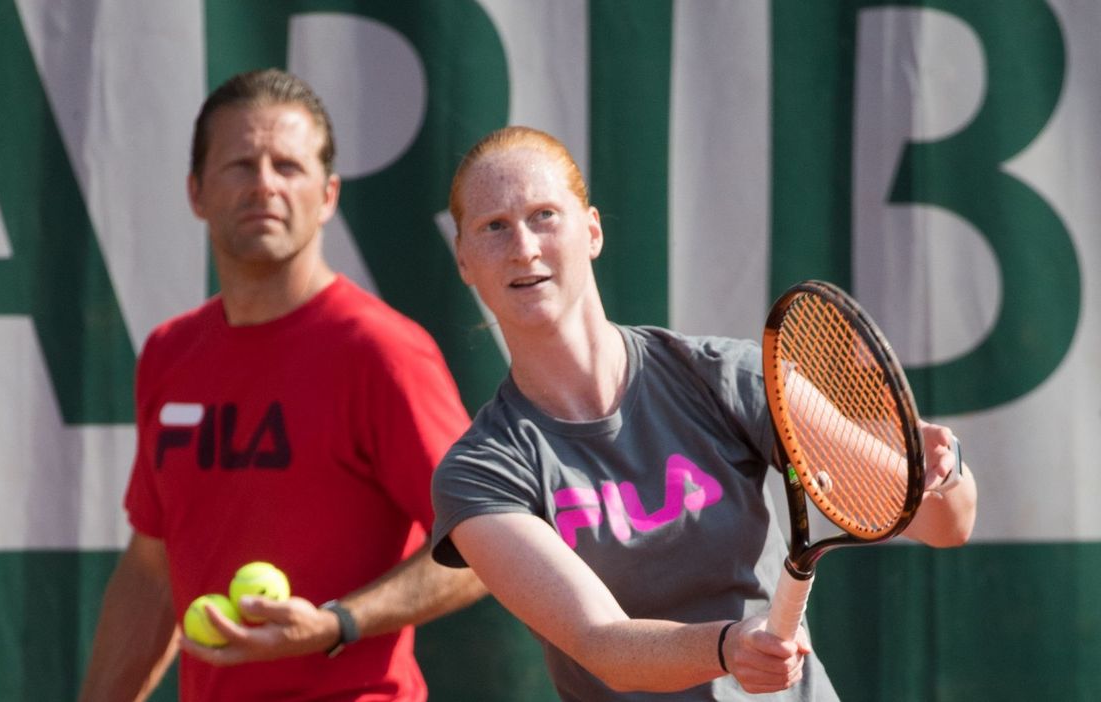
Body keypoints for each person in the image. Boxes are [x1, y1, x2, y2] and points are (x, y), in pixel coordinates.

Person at [429, 126, 978, 701]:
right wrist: (727, 647)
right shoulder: (480, 475)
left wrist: (944, 472)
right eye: (494, 226)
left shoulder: (728, 378)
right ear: (464, 259)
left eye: (544, 215)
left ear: (591, 230)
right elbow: (603, 644)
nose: (524, 246)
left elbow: (943, 524)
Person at [78, 68, 486, 702]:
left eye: (288, 167)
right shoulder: (169, 353)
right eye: (241, 164)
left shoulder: (381, 351)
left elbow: (485, 539)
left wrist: (337, 623)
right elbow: (152, 569)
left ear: (327, 195)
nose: (264, 184)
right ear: (196, 192)